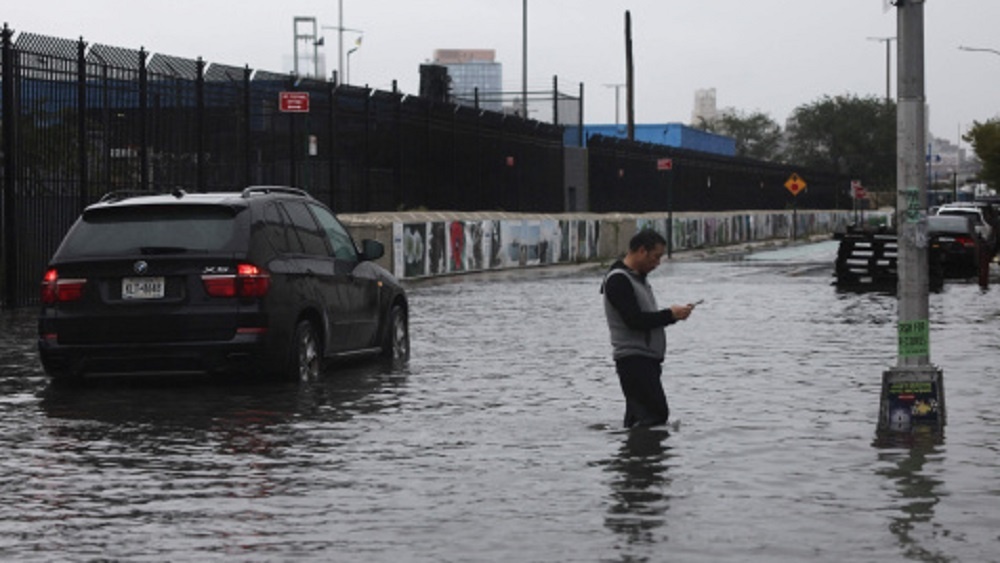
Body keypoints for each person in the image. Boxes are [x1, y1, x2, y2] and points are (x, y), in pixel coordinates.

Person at [601, 229, 694, 428]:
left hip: (645, 360)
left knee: (639, 419)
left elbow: (644, 319)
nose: (658, 263)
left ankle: (634, 456)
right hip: (634, 360)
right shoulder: (619, 280)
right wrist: (670, 315)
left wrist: (673, 316)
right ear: (642, 251)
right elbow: (634, 320)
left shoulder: (637, 278)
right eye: (656, 257)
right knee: (655, 415)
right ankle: (645, 456)